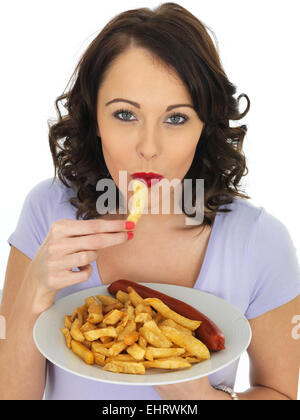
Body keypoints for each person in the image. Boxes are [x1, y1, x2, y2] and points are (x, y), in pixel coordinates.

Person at [1, 2, 299, 400]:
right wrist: (35, 290)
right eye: (125, 115)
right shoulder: (46, 210)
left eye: (176, 118)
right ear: (94, 121)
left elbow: (279, 391)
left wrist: (198, 396)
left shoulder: (261, 241)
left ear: (204, 128)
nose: (148, 148)